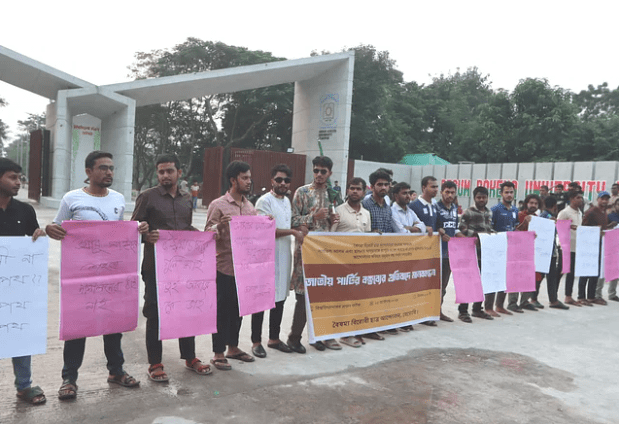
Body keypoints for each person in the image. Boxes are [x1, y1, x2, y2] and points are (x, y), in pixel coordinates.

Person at [46, 151, 148, 400]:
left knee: (114, 327)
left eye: (112, 168)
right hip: (81, 278)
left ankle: (116, 371)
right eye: (103, 168)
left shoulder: (119, 199)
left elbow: (120, 233)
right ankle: (69, 379)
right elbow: (57, 226)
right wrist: (49, 228)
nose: (109, 173)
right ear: (89, 171)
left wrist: (138, 230)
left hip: (112, 277)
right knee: (77, 329)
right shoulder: (72, 199)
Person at [131, 154, 211, 382]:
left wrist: (206, 237)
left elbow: (185, 229)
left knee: (186, 310)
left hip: (183, 267)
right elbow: (133, 230)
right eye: (161, 172)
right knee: (155, 313)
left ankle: (190, 357)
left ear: (179, 173)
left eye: (169, 171)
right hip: (155, 267)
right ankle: (155, 363)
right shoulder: (147, 197)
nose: (165, 175)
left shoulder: (187, 199)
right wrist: (147, 235)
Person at [0, 158, 47, 405]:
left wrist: (39, 236)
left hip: (16, 285)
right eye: (12, 177)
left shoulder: (25, 210)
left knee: (18, 332)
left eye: (20, 178)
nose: (18, 183)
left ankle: (24, 385)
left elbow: (33, 239)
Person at [205, 161, 259, 369]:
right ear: (233, 180)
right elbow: (206, 234)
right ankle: (218, 352)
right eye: (244, 178)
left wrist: (266, 223)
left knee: (238, 309)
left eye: (249, 177)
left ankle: (233, 347)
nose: (248, 181)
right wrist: (220, 226)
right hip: (222, 267)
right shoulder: (218, 205)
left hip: (243, 270)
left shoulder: (249, 207)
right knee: (221, 311)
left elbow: (254, 235)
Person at [288, 156, 342, 352]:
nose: (319, 175)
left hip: (325, 253)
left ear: (330, 173)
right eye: (316, 170)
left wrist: (334, 218)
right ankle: (294, 338)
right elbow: (292, 220)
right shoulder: (302, 192)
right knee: (303, 297)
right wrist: (313, 217)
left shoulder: (333, 194)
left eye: (323, 171)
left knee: (321, 296)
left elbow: (337, 219)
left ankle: (317, 336)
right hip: (305, 251)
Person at [250, 164, 302, 358]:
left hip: (284, 256)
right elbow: (265, 230)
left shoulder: (288, 202)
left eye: (286, 180)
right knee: (262, 300)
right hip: (266, 257)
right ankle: (256, 341)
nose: (282, 183)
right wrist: (292, 232)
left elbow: (292, 224)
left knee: (279, 298)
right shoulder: (264, 201)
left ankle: (273, 338)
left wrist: (299, 230)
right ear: (272, 181)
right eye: (279, 179)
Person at [331, 177, 372, 346]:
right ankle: (339, 334)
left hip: (359, 265)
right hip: (341, 265)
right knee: (340, 301)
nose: (355, 191)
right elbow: (330, 237)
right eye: (352, 188)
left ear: (363, 192)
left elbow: (368, 237)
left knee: (357, 300)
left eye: (358, 189)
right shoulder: (338, 211)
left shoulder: (366, 214)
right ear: (347, 190)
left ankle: (351, 332)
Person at [458, 186, 493, 321]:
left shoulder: (489, 213)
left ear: (487, 198)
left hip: (485, 253)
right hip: (471, 252)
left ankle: (477, 309)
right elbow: (462, 228)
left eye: (484, 197)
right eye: (479, 197)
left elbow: (489, 228)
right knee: (468, 281)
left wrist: (494, 235)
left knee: (482, 282)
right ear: (474, 198)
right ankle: (463, 311)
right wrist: (478, 236)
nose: (481, 200)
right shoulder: (468, 212)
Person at [409, 176, 440, 327]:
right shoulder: (415, 205)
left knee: (429, 282)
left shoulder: (435, 205)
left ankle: (427, 312)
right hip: (417, 251)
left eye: (436, 187)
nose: (435, 190)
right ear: (423, 188)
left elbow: (437, 223)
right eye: (432, 187)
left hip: (432, 251)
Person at [436, 180, 465, 322]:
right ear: (441, 192)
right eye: (447, 192)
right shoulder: (435, 207)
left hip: (450, 253)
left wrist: (464, 239)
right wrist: (440, 233)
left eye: (452, 192)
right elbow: (432, 226)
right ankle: (430, 312)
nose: (449, 195)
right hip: (435, 252)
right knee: (434, 284)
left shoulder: (454, 208)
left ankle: (438, 311)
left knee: (444, 285)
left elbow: (455, 228)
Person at [578, 191, 614, 306]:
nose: (604, 201)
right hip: (588, 244)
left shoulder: (605, 212)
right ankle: (581, 296)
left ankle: (591, 296)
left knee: (595, 271)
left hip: (599, 244)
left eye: (606, 199)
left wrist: (609, 227)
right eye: (602, 198)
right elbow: (583, 227)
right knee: (585, 271)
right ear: (598, 199)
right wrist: (594, 229)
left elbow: (601, 228)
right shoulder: (592, 211)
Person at [490, 181, 519, 315]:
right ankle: (488, 306)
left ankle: (500, 305)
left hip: (511, 249)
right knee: (494, 277)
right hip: (497, 249)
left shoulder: (515, 210)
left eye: (511, 192)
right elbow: (489, 228)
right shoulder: (495, 210)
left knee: (506, 277)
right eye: (506, 192)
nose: (509, 195)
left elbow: (516, 227)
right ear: (501, 193)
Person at [536, 196, 569, 310]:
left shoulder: (544, 216)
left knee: (545, 276)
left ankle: (538, 298)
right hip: (547, 251)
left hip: (545, 250)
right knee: (549, 276)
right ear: (555, 206)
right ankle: (552, 300)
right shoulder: (548, 217)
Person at [510, 194, 541, 311]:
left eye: (536, 203)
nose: (533, 205)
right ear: (526, 204)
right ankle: (512, 303)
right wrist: (525, 223)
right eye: (531, 203)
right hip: (518, 249)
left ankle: (524, 301)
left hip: (532, 250)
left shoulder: (537, 218)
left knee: (529, 276)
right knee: (516, 276)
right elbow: (514, 231)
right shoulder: (520, 215)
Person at [557, 190, 584, 306]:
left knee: (571, 272)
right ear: (572, 199)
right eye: (578, 198)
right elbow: (558, 227)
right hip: (565, 247)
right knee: (560, 272)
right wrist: (568, 227)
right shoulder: (565, 212)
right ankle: (553, 295)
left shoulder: (579, 212)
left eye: (581, 198)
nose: (581, 200)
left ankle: (568, 296)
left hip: (575, 247)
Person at [362, 169, 395, 234]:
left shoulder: (388, 208)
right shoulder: (364, 205)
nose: (383, 187)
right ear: (372, 187)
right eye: (380, 184)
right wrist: (371, 232)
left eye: (386, 185)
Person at [605, 198, 619, 302]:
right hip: (612, 246)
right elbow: (604, 229)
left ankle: (612, 293)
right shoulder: (610, 216)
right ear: (615, 205)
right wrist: (611, 225)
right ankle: (601, 293)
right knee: (610, 269)